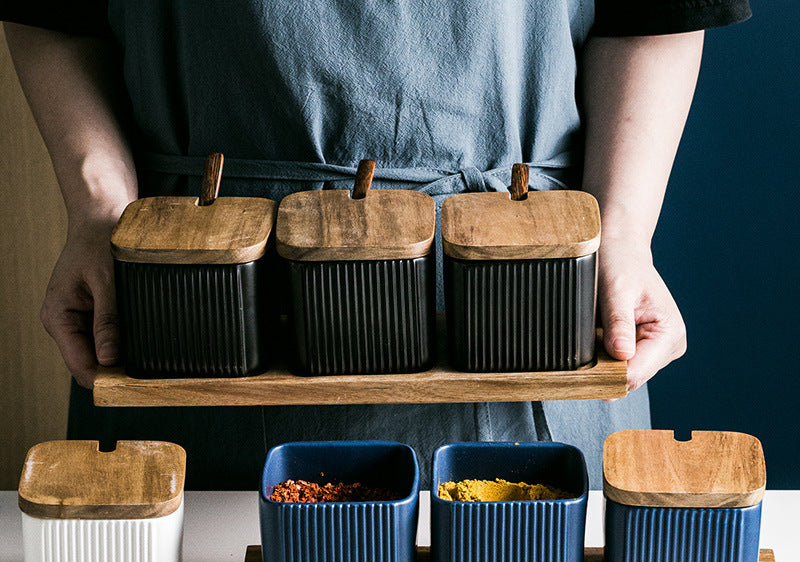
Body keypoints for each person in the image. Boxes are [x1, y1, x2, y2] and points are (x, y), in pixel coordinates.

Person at [2, 1, 751, 489]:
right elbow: (53, 8)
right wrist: (101, 213)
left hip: (528, 281)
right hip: (191, 287)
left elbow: (657, 7)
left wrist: (620, 229)